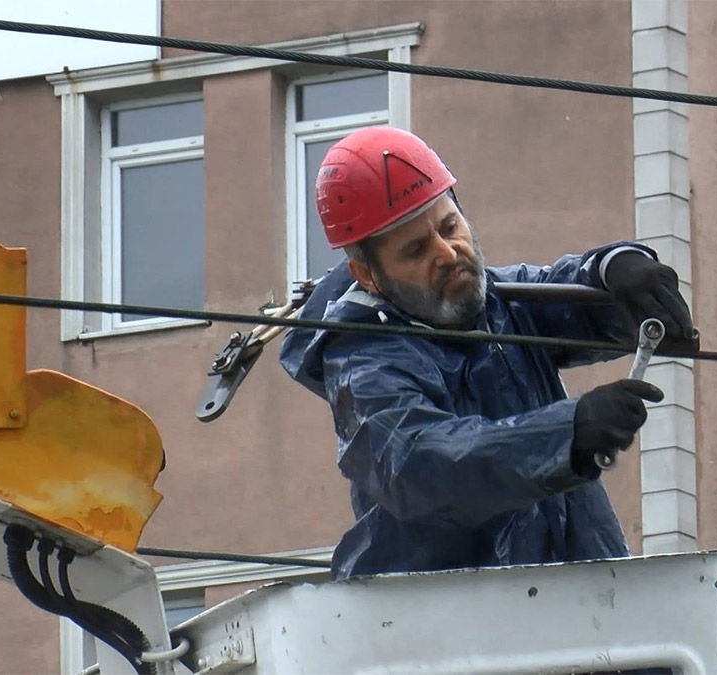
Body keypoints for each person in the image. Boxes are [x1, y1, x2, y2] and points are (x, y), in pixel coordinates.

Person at [279, 127, 694, 580]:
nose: (447, 253)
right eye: (417, 249)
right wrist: (567, 433)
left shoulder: (492, 300)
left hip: (580, 609)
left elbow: (568, 287)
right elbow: (419, 463)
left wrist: (619, 269)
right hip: (446, 629)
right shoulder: (364, 363)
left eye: (449, 226)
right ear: (369, 275)